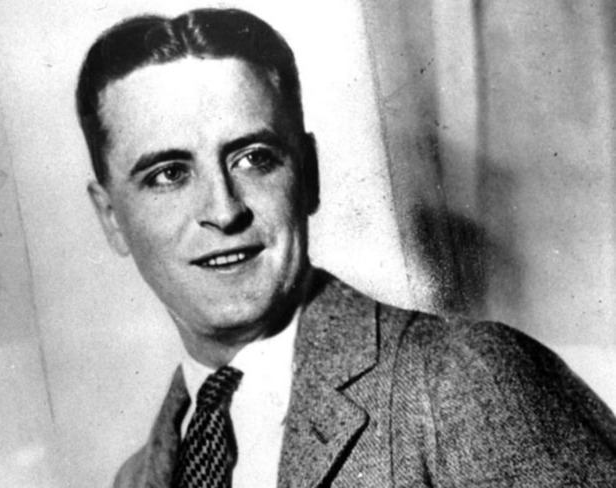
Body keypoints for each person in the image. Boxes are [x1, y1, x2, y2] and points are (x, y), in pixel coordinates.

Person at [76, 8, 616, 487]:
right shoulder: (138, 477)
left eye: (254, 158)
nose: (224, 210)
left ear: (309, 175)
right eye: (169, 174)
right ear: (111, 217)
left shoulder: (464, 384)